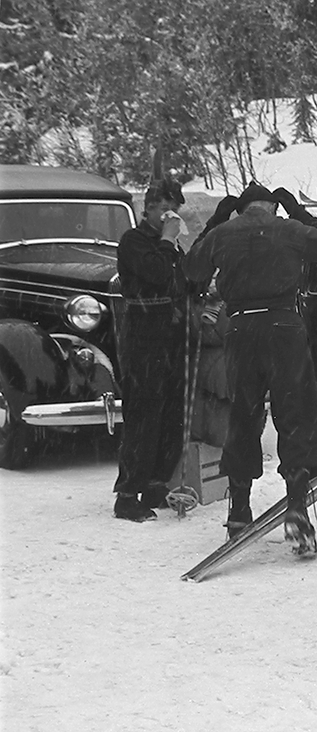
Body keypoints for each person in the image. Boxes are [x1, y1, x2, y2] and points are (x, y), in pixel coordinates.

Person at [182, 183, 317, 554]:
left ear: (241, 210)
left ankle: (239, 511)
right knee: (296, 412)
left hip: (240, 330)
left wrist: (216, 221)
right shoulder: (289, 228)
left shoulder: (225, 232)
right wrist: (298, 210)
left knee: (243, 414)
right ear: (273, 207)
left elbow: (192, 269)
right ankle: (298, 507)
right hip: (285, 328)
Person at [112, 178, 189, 522]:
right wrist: (169, 240)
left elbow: (185, 279)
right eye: (163, 209)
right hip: (143, 335)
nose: (170, 216)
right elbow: (157, 273)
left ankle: (156, 483)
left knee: (171, 411)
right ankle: (128, 493)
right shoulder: (135, 241)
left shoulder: (169, 245)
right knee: (143, 412)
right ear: (149, 209)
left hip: (171, 336)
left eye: (174, 209)